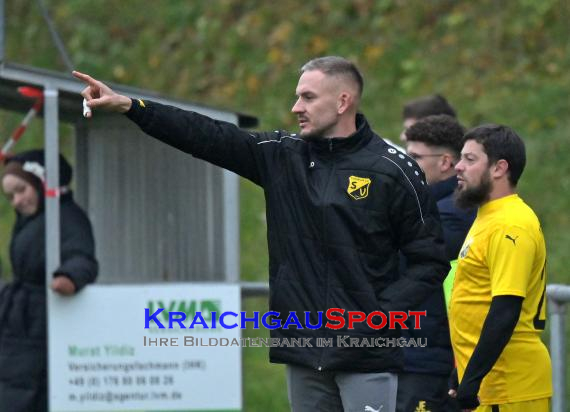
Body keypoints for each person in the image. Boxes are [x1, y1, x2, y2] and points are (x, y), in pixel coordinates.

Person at [73, 56, 450, 412]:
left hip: (367, 355)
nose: (295, 107)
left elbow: (429, 260)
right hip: (304, 352)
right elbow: (206, 135)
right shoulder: (282, 156)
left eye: (307, 97)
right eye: (296, 96)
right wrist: (131, 107)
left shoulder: (393, 169)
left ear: (342, 101)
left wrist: (377, 317)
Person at [449, 125, 552, 411]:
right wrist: (462, 369)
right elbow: (474, 299)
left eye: (470, 159)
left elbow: (506, 307)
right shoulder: (488, 217)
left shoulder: (510, 224)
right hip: (489, 384)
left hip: (508, 385)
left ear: (499, 168)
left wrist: (473, 378)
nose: (458, 167)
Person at [0, 149, 98, 412]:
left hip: (41, 322)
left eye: (21, 190)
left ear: (41, 183)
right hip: (20, 321)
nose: (16, 201)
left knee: (30, 394)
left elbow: (82, 256)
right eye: (10, 196)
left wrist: (69, 277)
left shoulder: (67, 218)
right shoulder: (34, 219)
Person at [394, 115, 475, 412]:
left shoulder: (453, 211)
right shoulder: (427, 206)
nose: (406, 163)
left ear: (445, 162)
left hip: (430, 357)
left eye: (414, 157)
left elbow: (401, 261)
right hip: (416, 352)